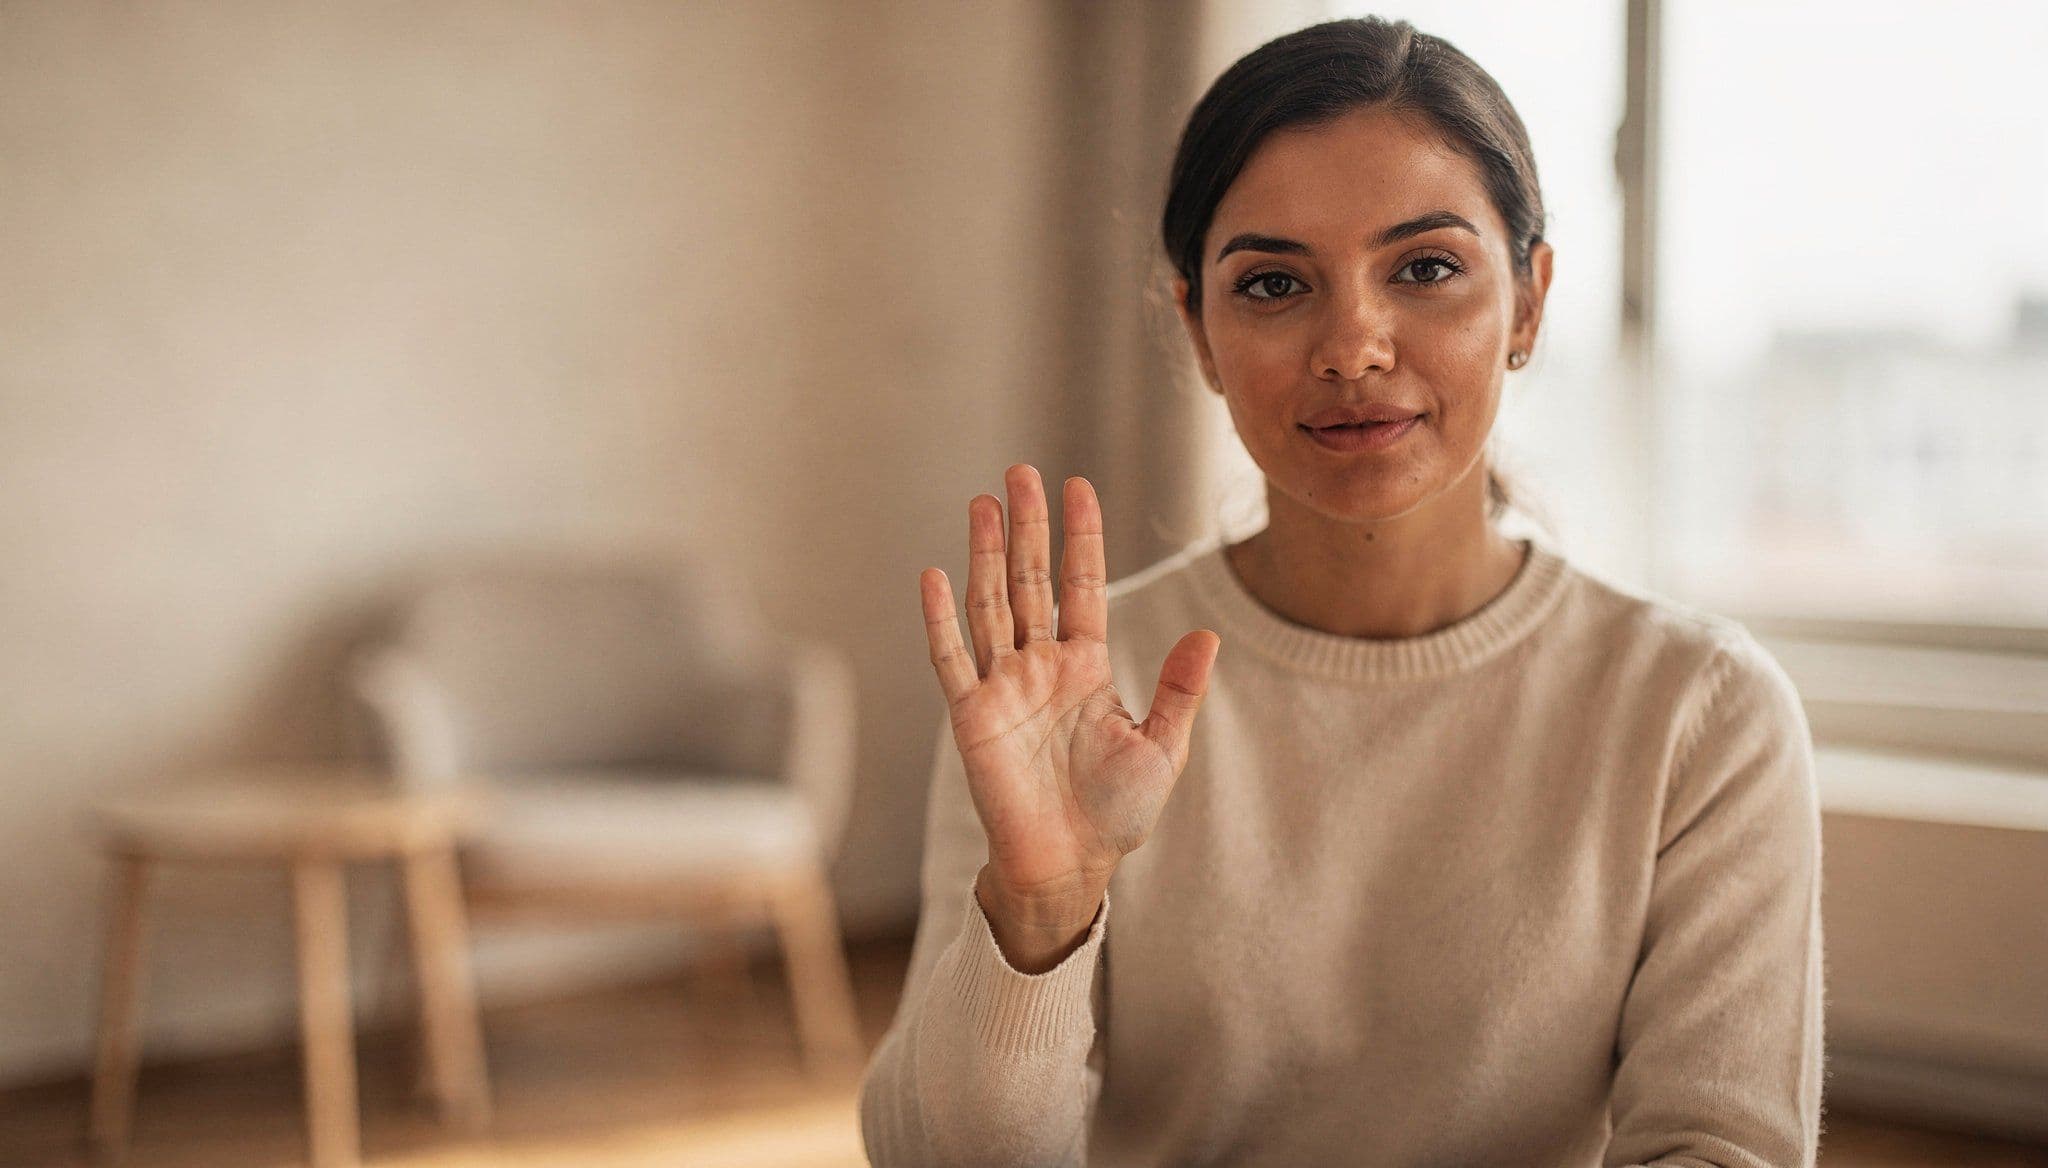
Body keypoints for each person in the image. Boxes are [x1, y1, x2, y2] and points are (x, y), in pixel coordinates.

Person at [859, 15, 1824, 1167]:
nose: (1353, 345)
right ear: (1197, 333)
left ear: (1526, 301)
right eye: (1272, 282)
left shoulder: (1698, 711)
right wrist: (1038, 912)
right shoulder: (1061, 700)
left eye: (1424, 268)